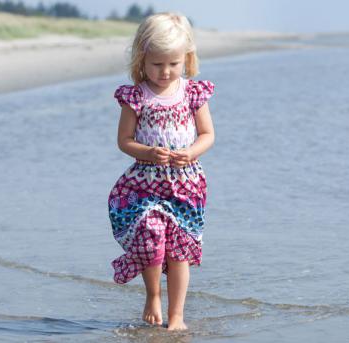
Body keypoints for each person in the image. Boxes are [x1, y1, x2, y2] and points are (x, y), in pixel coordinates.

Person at [108, 12, 215, 331]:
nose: (166, 72)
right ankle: (153, 296)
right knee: (152, 238)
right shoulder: (136, 97)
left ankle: (177, 316)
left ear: (186, 59)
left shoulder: (193, 93)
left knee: (179, 250)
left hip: (185, 186)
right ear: (142, 59)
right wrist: (148, 152)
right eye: (157, 65)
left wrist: (191, 152)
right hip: (145, 186)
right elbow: (124, 141)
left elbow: (208, 134)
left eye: (173, 64)